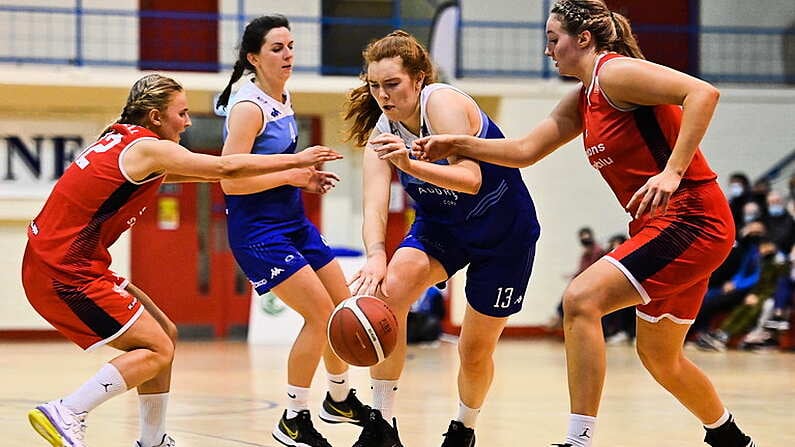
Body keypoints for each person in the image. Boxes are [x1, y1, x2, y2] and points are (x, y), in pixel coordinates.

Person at [413, 1, 757, 446]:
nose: (548, 51)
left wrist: (672, 171)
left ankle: (580, 439)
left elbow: (702, 93)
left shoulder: (614, 73)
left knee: (580, 299)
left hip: (692, 218)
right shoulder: (583, 98)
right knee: (660, 357)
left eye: (553, 40)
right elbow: (524, 152)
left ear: (584, 40)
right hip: (663, 228)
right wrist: (458, 143)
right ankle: (730, 438)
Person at [22, 74, 342, 447]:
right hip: (63, 272)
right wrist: (296, 158)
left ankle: (153, 440)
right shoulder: (148, 148)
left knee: (165, 336)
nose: (188, 122)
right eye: (183, 113)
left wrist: (288, 176)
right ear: (156, 117)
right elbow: (224, 169)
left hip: (63, 263)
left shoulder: (122, 139)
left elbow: (197, 175)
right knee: (155, 348)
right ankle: (68, 410)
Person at [344, 30, 541, 447]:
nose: (382, 94)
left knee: (473, 350)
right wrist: (376, 254)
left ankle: (463, 428)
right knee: (387, 292)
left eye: (392, 84)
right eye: (374, 85)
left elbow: (470, 180)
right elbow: (375, 205)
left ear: (418, 80)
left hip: (503, 231)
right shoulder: (384, 128)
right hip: (442, 226)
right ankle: (381, 424)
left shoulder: (443, 103)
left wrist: (409, 163)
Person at [214, 15, 363, 447]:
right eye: (277, 48)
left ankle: (338, 398)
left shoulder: (284, 96)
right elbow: (230, 180)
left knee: (344, 309)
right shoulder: (248, 107)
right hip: (259, 232)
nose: (288, 55)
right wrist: (293, 173)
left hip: (293, 222)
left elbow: (279, 167)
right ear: (253, 58)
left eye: (291, 46)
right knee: (318, 318)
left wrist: (305, 178)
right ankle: (294, 418)